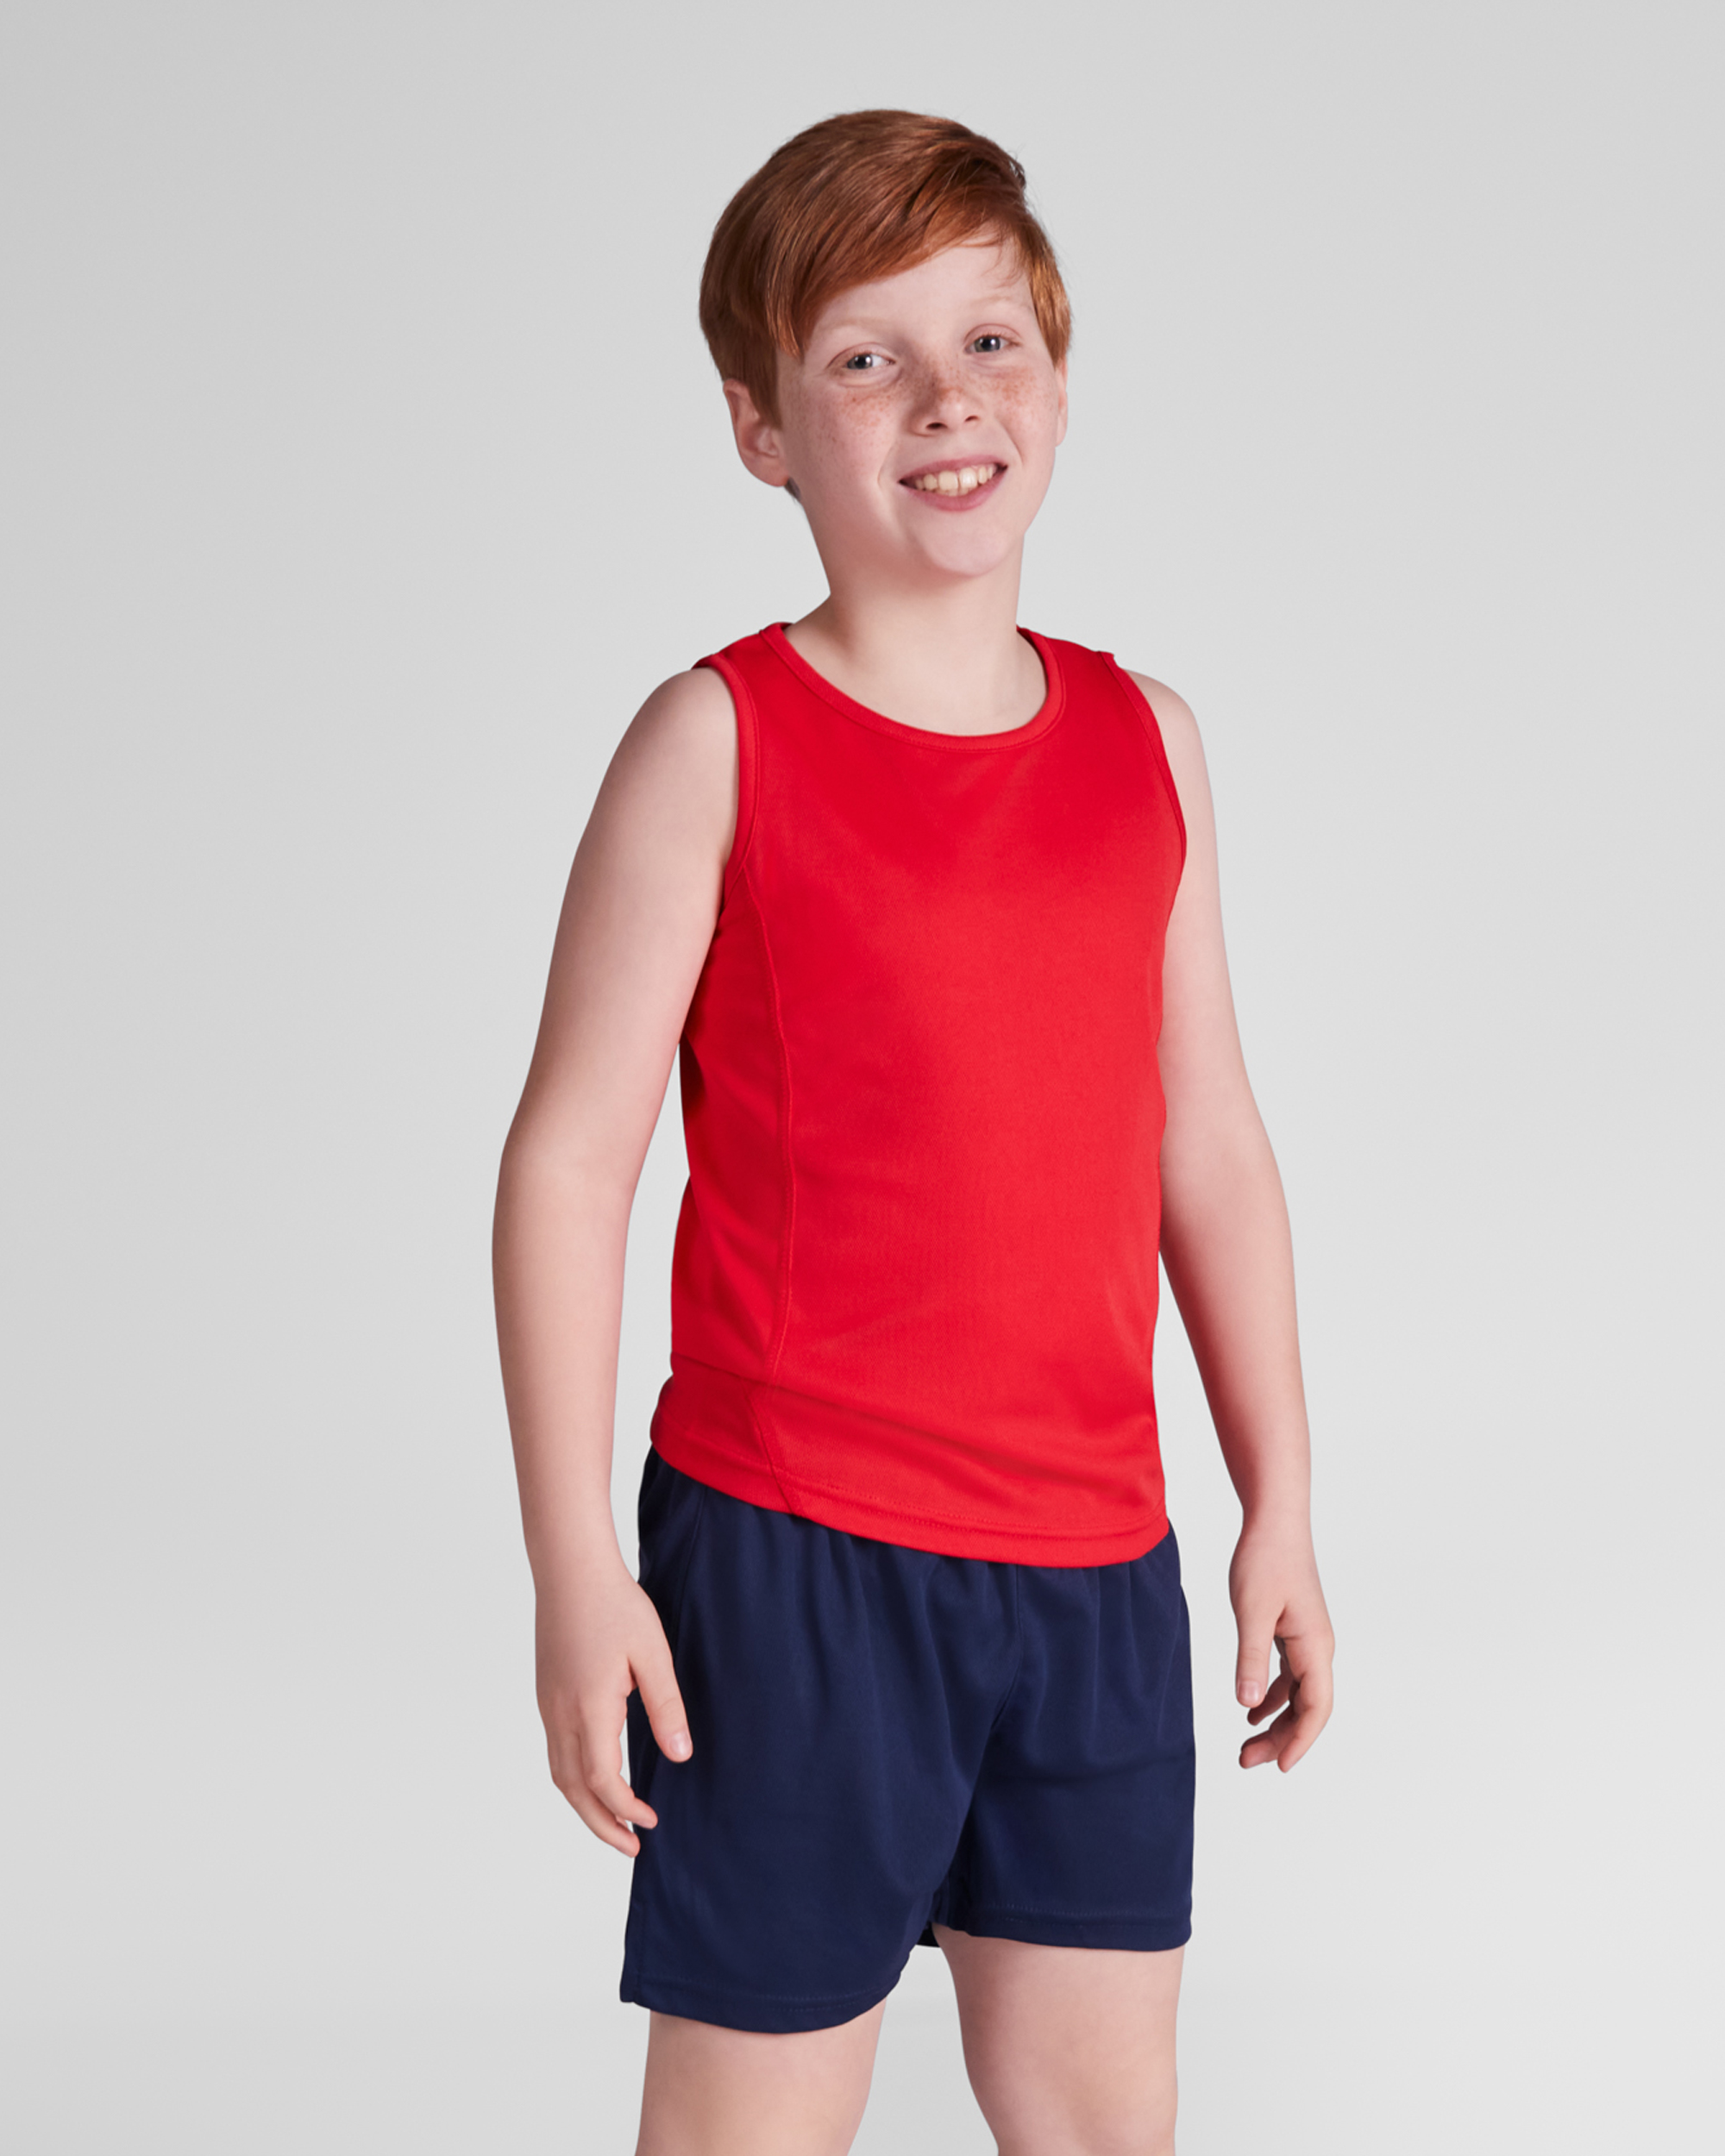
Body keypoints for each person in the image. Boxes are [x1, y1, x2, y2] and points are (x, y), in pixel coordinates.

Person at [492, 108, 1334, 2156]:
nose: (948, 401)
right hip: (795, 1553)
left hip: (1093, 1565)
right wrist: (573, 1566)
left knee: (1100, 2118)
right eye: (867, 358)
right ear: (762, 430)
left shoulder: (1147, 740)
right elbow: (569, 1160)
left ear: (1057, 379)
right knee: (752, 2125)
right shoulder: (716, 738)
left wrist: (1279, 1497)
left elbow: (1207, 1140)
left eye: (989, 342)